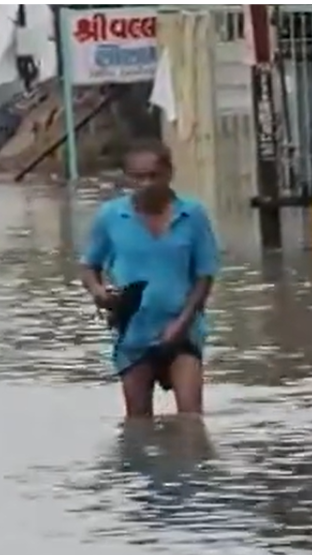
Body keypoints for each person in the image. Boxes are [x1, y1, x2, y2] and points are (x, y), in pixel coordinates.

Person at [80, 140, 221, 418]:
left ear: (169, 174)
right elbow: (89, 266)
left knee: (192, 421)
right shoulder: (110, 216)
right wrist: (98, 292)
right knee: (138, 424)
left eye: (153, 176)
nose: (146, 184)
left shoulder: (192, 215)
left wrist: (181, 324)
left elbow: (204, 276)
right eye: (138, 177)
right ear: (126, 178)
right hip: (133, 333)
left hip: (183, 331)